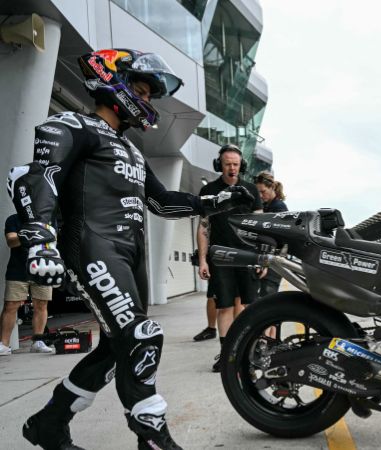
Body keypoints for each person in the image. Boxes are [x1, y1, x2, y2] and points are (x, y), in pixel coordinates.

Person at [8, 48, 253, 450]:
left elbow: (162, 202)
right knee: (142, 336)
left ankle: (48, 424)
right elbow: (36, 177)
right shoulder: (71, 124)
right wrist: (40, 240)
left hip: (128, 254)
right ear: (112, 82)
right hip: (90, 247)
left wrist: (218, 201)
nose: (145, 101)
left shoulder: (133, 151)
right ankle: (152, 438)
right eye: (140, 90)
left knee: (114, 348)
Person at [197, 144, 262, 372]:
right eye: (227, 164)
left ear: (241, 165)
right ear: (219, 165)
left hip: (246, 256)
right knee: (224, 307)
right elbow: (204, 227)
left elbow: (260, 227)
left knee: (249, 307)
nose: (232, 168)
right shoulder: (209, 191)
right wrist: (203, 259)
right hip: (220, 257)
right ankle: (226, 356)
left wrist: (261, 257)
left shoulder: (252, 190)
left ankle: (249, 351)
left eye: (235, 164)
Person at [0, 213, 55, 355]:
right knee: (11, 305)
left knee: (41, 304)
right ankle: (4, 344)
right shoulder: (13, 218)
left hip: (43, 266)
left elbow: (53, 239)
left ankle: (38, 341)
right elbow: (11, 241)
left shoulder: (47, 217)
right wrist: (35, 235)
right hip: (18, 268)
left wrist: (26, 237)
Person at [254, 172, 288, 297]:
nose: (261, 195)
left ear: (272, 187)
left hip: (274, 259)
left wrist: (265, 262)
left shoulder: (279, 208)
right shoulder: (266, 206)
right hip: (266, 257)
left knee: (267, 298)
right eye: (258, 192)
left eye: (263, 191)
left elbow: (276, 238)